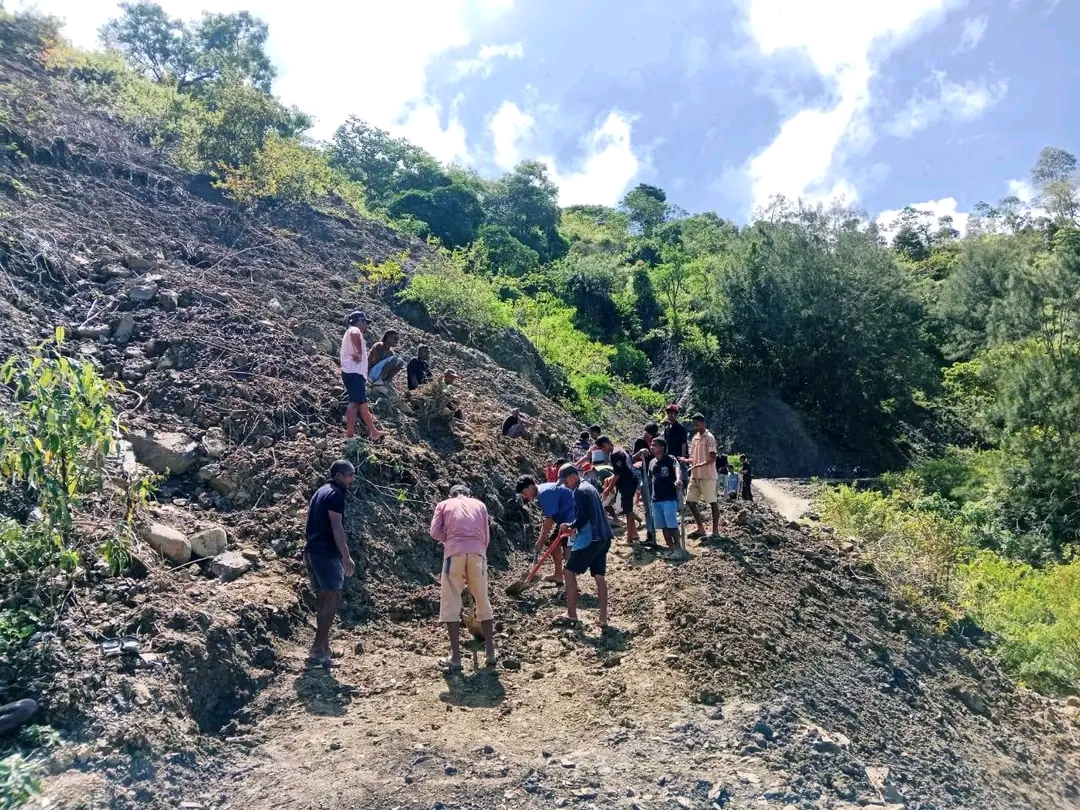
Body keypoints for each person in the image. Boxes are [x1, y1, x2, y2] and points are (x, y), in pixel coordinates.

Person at [430, 484, 496, 670]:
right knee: (482, 599)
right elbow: (486, 537)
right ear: (469, 494)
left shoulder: (444, 504)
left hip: (454, 554)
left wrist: (451, 539)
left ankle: (456, 658)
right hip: (478, 554)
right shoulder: (480, 505)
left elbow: (434, 532)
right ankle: (490, 653)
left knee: (451, 601)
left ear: (452, 495)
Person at [304, 460, 357, 666]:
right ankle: (317, 650)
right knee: (333, 598)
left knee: (324, 598)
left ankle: (324, 647)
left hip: (313, 551)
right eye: (350, 475)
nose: (352, 479)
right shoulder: (335, 495)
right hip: (326, 553)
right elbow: (336, 526)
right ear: (338, 475)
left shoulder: (321, 492)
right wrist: (345, 555)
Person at [555, 464, 613, 629]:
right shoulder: (590, 487)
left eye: (565, 481)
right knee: (599, 577)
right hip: (603, 536)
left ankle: (571, 614)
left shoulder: (579, 491)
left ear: (572, 476)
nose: (565, 485)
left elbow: (583, 517)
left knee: (568, 571)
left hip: (591, 538)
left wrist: (570, 526)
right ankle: (602, 619)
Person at [516, 474, 576, 585]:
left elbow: (549, 520)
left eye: (524, 493)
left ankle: (572, 584)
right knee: (554, 544)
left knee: (568, 549)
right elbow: (550, 518)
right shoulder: (542, 491)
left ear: (530, 487)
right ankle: (558, 575)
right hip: (564, 520)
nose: (524, 496)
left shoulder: (544, 494)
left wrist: (541, 540)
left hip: (573, 520)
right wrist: (541, 539)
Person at [340, 312, 386, 442]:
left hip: (354, 373)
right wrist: (359, 353)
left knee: (363, 405)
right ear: (359, 321)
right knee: (354, 403)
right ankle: (349, 435)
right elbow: (354, 334)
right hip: (353, 373)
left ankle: (374, 432)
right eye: (365, 322)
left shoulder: (351, 331)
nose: (366, 325)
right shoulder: (354, 330)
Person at [681, 413, 719, 539]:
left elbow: (713, 458)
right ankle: (700, 529)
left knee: (712, 502)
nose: (695, 427)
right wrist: (687, 460)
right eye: (694, 425)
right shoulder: (695, 438)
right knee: (690, 502)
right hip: (695, 475)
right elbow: (693, 457)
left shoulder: (709, 438)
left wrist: (699, 465)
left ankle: (715, 532)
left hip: (707, 476)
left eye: (697, 425)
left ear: (704, 423)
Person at [649, 438, 686, 559]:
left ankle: (678, 548)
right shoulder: (652, 462)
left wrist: (678, 479)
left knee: (672, 525)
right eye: (651, 445)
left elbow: (677, 468)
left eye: (655, 445)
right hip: (656, 499)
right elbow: (651, 478)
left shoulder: (670, 459)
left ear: (662, 448)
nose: (652, 447)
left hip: (668, 498)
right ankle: (670, 547)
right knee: (663, 525)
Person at [598, 437, 639, 542]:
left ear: (605, 444)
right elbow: (622, 469)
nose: (603, 451)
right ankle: (634, 534)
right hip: (630, 480)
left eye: (602, 448)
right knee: (627, 508)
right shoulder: (619, 449)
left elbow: (617, 474)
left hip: (627, 482)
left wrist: (608, 489)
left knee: (628, 510)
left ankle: (629, 539)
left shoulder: (615, 454)